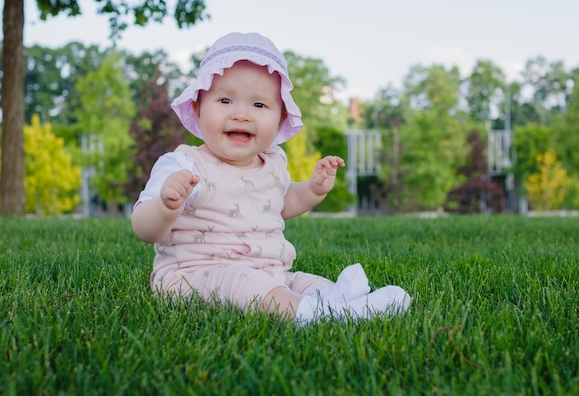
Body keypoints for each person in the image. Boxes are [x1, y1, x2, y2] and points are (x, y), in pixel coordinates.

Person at [131, 32, 411, 324]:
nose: (241, 114)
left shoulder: (273, 163)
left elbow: (281, 202)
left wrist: (313, 190)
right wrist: (166, 206)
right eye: (225, 100)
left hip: (269, 272)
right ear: (198, 108)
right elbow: (143, 228)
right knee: (247, 283)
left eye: (259, 105)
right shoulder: (186, 165)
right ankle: (310, 314)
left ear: (279, 118)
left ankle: (343, 302)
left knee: (302, 281)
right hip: (196, 275)